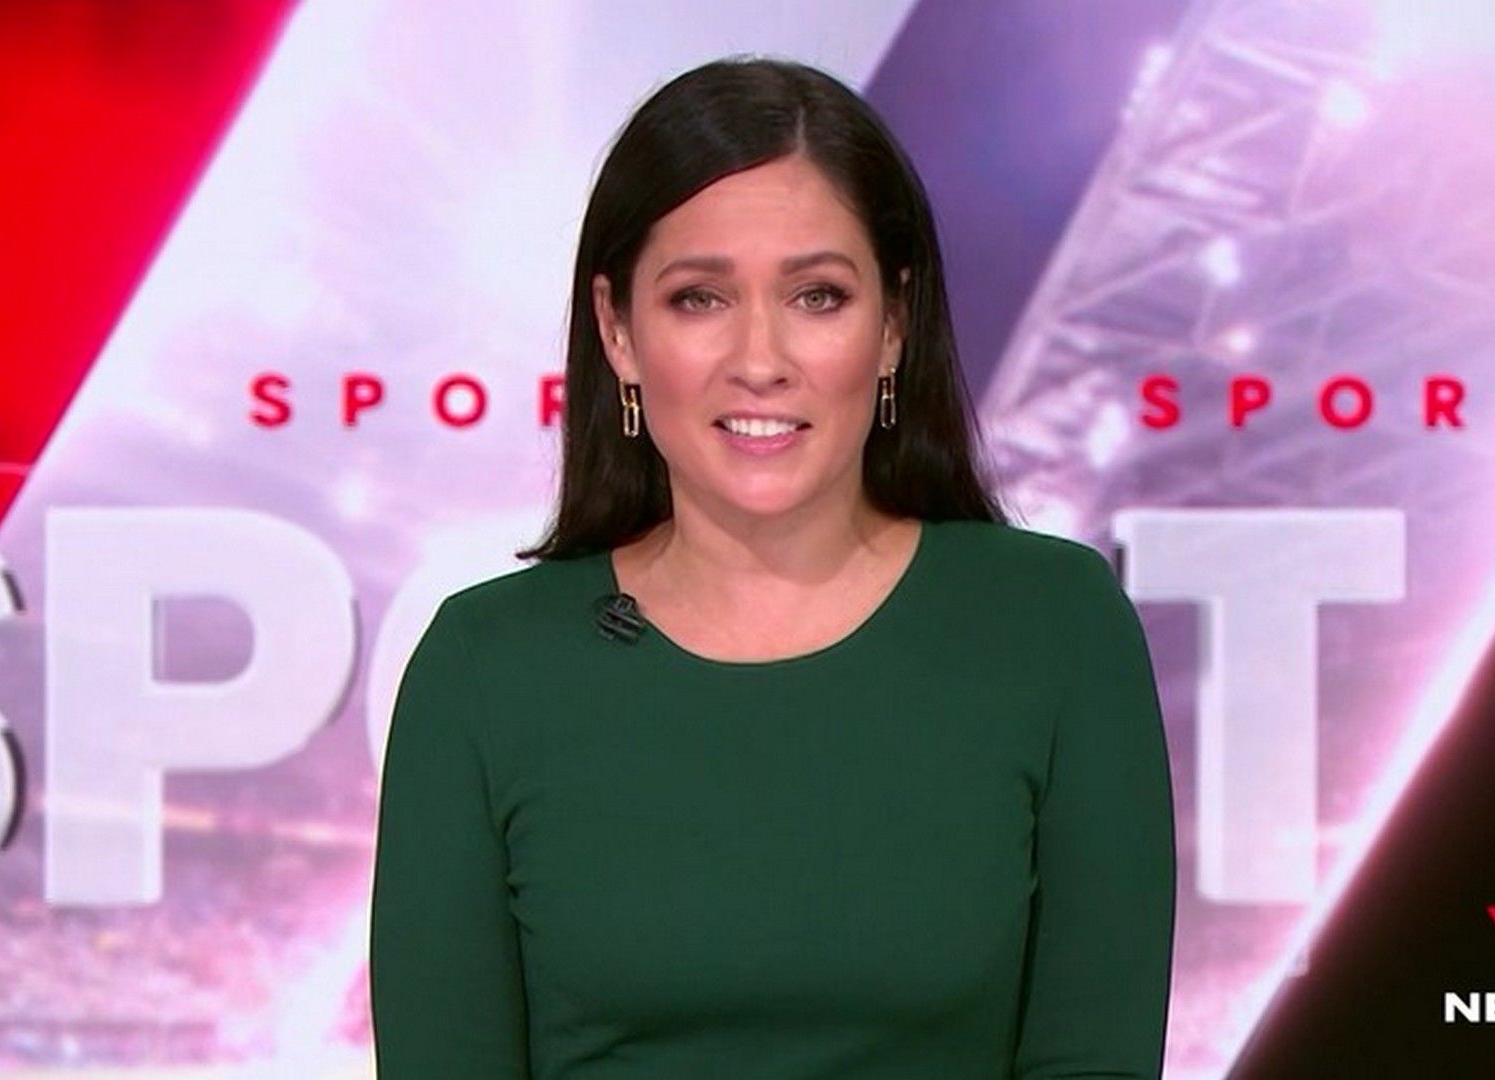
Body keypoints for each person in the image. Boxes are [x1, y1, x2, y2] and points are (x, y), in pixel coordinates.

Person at [369, 54, 1175, 1078]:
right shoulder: (483, 665)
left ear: (893, 325)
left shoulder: (1055, 626)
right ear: (618, 331)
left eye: (817, 297)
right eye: (699, 299)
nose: (760, 360)